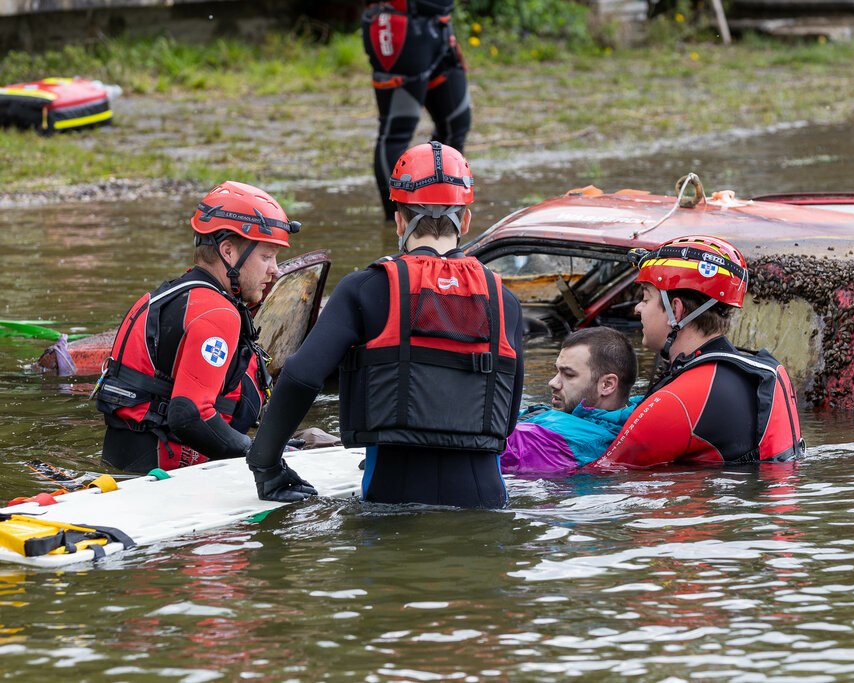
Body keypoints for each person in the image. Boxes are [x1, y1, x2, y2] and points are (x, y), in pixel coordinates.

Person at [247, 142, 524, 507]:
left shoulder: (367, 287)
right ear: (466, 220)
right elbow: (508, 416)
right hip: (484, 494)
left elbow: (301, 375)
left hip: (394, 489)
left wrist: (266, 464)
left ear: (399, 220)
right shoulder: (504, 301)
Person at [94, 181, 299, 473]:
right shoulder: (217, 313)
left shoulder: (173, 296)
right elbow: (190, 413)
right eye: (266, 256)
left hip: (125, 468)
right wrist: (260, 453)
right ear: (228, 252)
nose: (275, 269)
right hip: (163, 481)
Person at [587, 235, 805, 470]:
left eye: (645, 298)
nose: (638, 307)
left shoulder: (677, 400)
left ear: (675, 311)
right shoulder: (755, 371)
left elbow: (603, 473)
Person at [362, 0, 471, 220]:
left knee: (456, 123)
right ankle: (398, 219)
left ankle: (440, 210)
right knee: (397, 130)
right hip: (397, 23)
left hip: (438, 23)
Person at [501, 327, 640, 474]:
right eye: (558, 371)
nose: (552, 382)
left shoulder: (572, 442)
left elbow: (489, 447)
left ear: (607, 385)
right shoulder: (578, 417)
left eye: (568, 375)